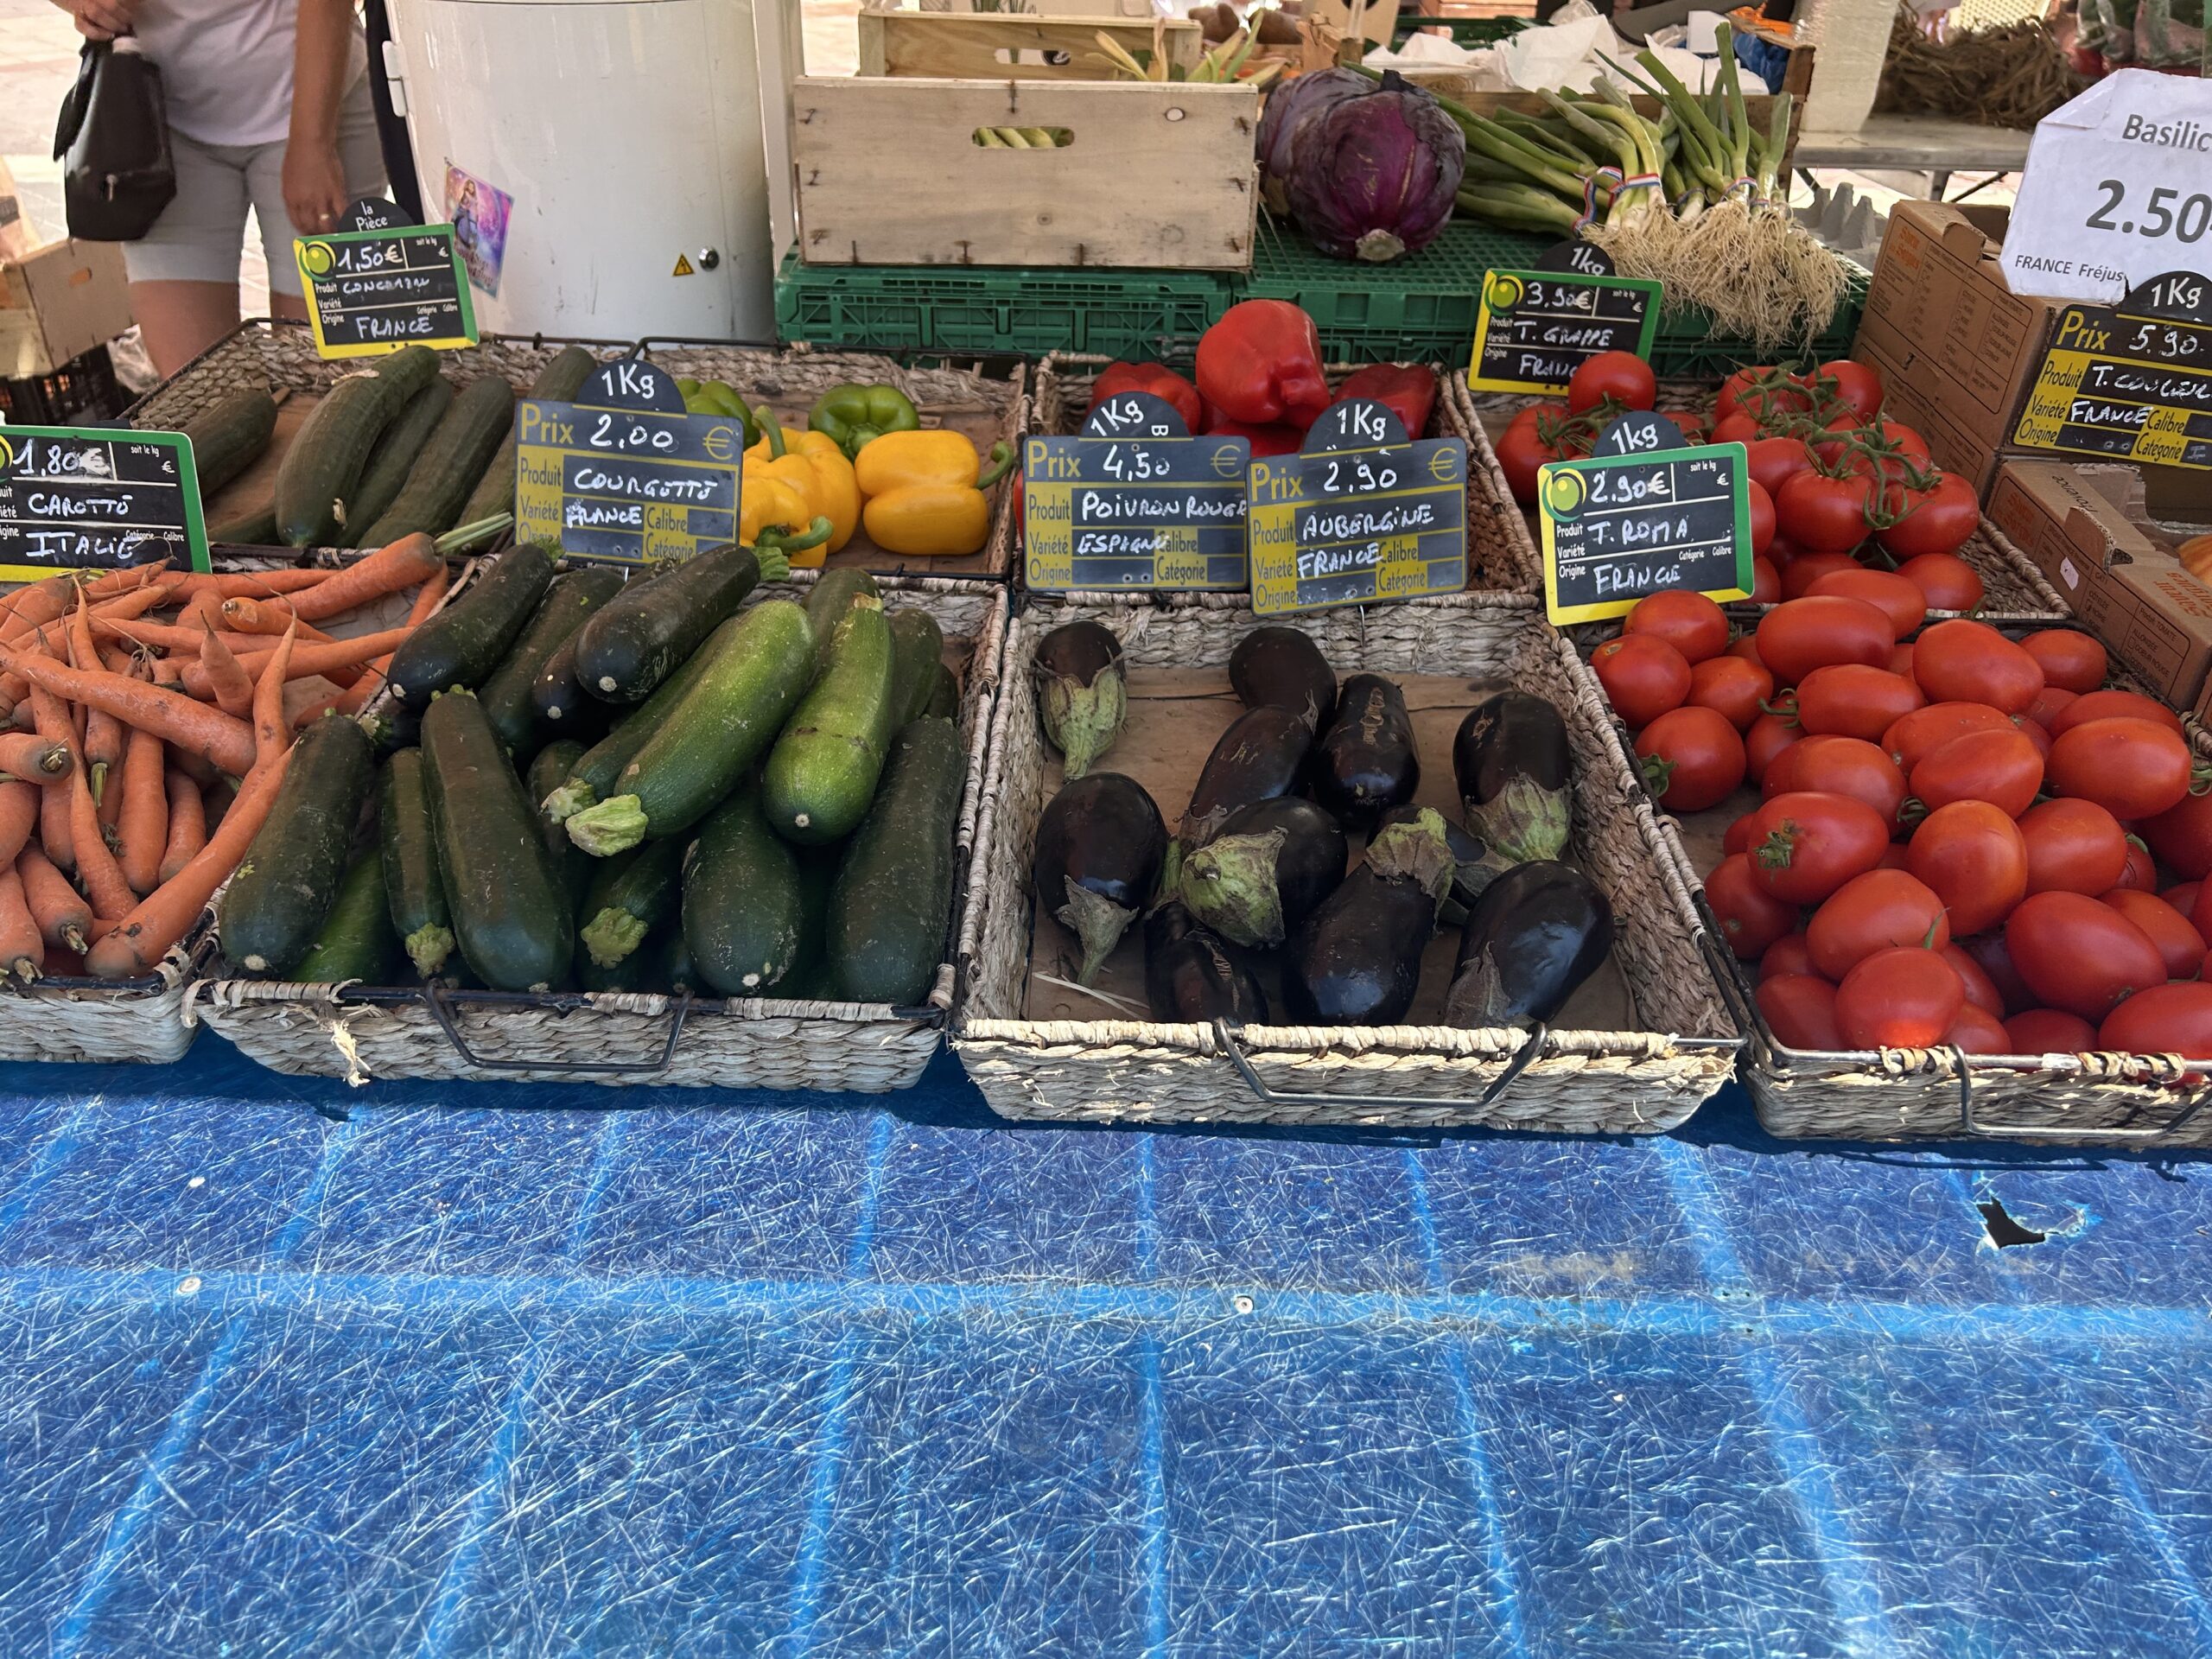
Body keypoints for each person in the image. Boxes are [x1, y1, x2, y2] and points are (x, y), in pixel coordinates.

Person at [50, 0, 390, 377]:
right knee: (195, 387)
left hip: (313, 106)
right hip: (160, 121)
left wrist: (314, 145)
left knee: (320, 376)